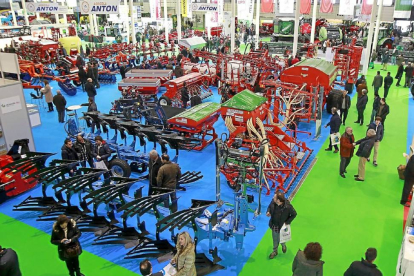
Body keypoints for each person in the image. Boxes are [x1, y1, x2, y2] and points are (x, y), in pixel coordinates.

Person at [266, 191, 297, 259]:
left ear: (278, 200)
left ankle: (283, 245)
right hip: (274, 224)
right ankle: (275, 251)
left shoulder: (288, 207)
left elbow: (294, 214)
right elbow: (269, 207)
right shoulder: (273, 202)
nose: (273, 198)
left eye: (274, 197)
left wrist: (287, 222)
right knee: (275, 239)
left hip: (282, 226)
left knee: (282, 238)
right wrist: (268, 212)